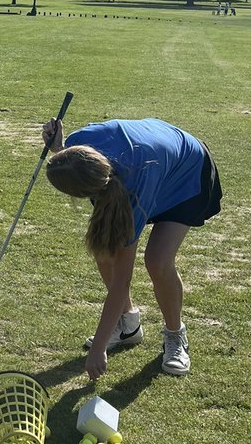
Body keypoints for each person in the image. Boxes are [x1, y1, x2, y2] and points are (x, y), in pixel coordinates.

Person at [43, 116, 223, 381]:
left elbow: (121, 281)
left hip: (186, 172)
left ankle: (175, 335)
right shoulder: (77, 145)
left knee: (157, 261)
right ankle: (128, 326)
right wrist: (58, 148)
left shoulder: (133, 190)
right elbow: (75, 164)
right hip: (151, 161)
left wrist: (99, 349)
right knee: (105, 251)